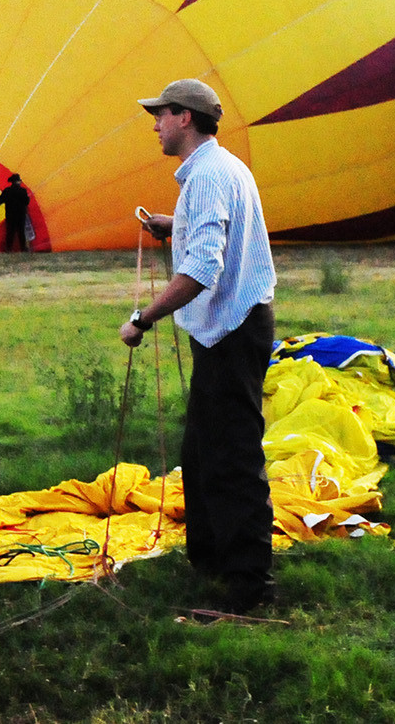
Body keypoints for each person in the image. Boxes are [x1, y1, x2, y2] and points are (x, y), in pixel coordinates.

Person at [119, 78, 278, 613]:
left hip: (232, 329)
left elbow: (203, 268)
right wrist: (176, 224)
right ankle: (209, 562)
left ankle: (250, 587)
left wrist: (142, 319)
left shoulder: (207, 177)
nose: (155, 125)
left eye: (160, 114)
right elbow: (216, 233)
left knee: (232, 457)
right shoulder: (220, 168)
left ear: (185, 117)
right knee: (202, 451)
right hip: (229, 328)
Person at [0, 173, 32, 253]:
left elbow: (0, 200)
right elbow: (26, 202)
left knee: (10, 232)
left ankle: (8, 249)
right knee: (21, 232)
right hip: (21, 215)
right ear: (18, 182)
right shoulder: (23, 191)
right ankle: (23, 249)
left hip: (10, 215)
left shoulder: (7, 191)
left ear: (12, 182)